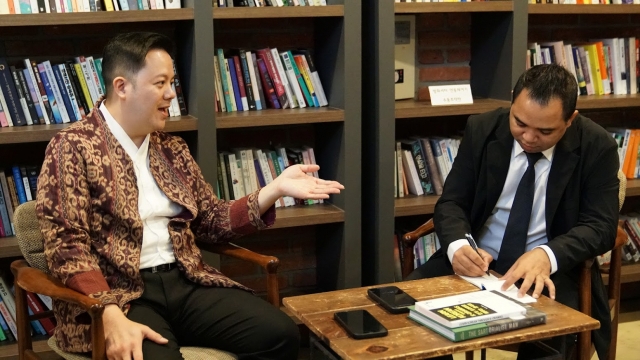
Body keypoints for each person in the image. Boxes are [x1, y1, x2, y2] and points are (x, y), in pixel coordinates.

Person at [36, 32, 344, 360]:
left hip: (185, 280)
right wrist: (108, 312)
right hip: (118, 296)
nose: (171, 94)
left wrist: (275, 189)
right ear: (122, 87)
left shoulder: (172, 148)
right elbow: (66, 245)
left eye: (172, 82)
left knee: (280, 334)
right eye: (160, 83)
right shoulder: (72, 146)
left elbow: (210, 220)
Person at [407, 64, 619, 359]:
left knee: (551, 337)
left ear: (570, 120)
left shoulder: (597, 146)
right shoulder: (482, 128)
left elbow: (601, 227)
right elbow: (452, 202)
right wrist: (458, 247)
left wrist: (547, 254)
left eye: (545, 131)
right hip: (477, 262)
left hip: (548, 273)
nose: (529, 138)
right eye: (520, 123)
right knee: (406, 310)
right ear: (512, 102)